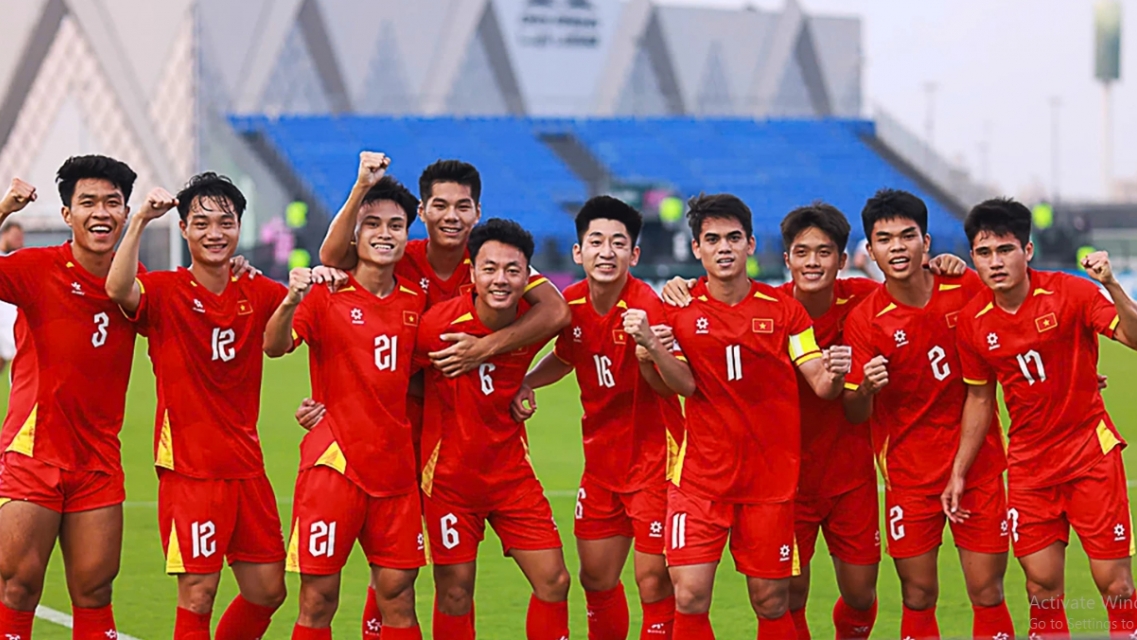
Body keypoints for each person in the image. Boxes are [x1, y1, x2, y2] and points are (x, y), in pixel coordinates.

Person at [314, 154, 569, 637]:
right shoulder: (402, 257)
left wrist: (492, 359)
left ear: (477, 212)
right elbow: (332, 257)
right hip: (401, 428)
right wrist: (332, 397)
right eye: (440, 205)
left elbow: (556, 312)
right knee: (394, 560)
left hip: (475, 431)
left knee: (405, 561)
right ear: (423, 212)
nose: (451, 216)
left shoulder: (491, 260)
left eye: (462, 206)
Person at [634, 193, 850, 639]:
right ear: (697, 248)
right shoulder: (678, 309)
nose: (724, 248)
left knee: (771, 601)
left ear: (750, 244)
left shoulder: (785, 311)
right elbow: (680, 385)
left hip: (769, 483)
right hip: (700, 480)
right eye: (712, 240)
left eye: (734, 238)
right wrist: (652, 350)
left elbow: (819, 381)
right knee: (689, 595)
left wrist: (836, 374)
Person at [105, 172, 288, 640]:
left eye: (225, 223)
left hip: (247, 468)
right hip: (190, 469)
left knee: (268, 590)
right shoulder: (165, 290)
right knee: (198, 594)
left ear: (239, 227)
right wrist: (140, 220)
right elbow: (118, 289)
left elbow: (307, 328)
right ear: (184, 228)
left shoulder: (260, 291)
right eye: (201, 223)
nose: (214, 233)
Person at [948, 198, 1137, 637]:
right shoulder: (973, 322)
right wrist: (959, 470)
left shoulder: (1071, 292)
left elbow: (1134, 337)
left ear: (1027, 250)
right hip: (1030, 469)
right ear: (973, 257)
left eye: (1005, 250)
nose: (995, 262)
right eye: (984, 253)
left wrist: (1112, 285)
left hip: (1090, 456)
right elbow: (980, 400)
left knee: (1116, 585)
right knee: (1041, 587)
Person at [841, 189, 1013, 640]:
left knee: (988, 590)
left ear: (926, 242)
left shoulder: (965, 288)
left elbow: (1011, 334)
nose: (897, 247)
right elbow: (855, 412)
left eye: (907, 235)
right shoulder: (865, 320)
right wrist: (866, 387)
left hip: (977, 466)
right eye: (884, 239)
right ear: (871, 250)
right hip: (909, 474)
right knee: (917, 595)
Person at [264, 173, 426, 640]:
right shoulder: (326, 293)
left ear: (406, 235)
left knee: (399, 596)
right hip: (333, 467)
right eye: (372, 224)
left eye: (395, 225)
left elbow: (424, 372)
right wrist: (291, 300)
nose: (384, 233)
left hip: (395, 470)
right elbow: (274, 346)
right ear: (354, 235)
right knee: (318, 599)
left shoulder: (417, 302)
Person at [511, 196, 681, 639]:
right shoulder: (570, 305)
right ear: (578, 251)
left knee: (653, 582)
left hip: (655, 464)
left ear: (634, 254)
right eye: (597, 241)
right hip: (602, 466)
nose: (607, 252)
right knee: (596, 579)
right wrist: (526, 381)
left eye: (618, 243)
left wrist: (650, 350)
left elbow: (673, 386)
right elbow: (565, 357)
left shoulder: (648, 307)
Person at [0, 159, 140, 640]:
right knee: (18, 587)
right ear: (67, 214)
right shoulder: (36, 268)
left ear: (126, 213)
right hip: (33, 455)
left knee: (96, 592)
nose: (101, 212)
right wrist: (5, 208)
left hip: (98, 461)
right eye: (88, 202)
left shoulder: (134, 282)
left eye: (112, 202)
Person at [416, 218, 571, 640]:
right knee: (454, 593)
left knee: (554, 580)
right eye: (489, 269)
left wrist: (512, 371)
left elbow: (559, 314)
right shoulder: (437, 327)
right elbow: (396, 378)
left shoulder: (532, 321)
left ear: (527, 276)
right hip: (449, 481)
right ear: (472, 273)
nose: (500, 279)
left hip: (510, 477)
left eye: (512, 270)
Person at [0, 220, 25, 373]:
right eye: (15, 236)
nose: (19, 241)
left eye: (20, 238)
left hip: (12, 322)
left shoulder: (18, 260)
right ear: (4, 235)